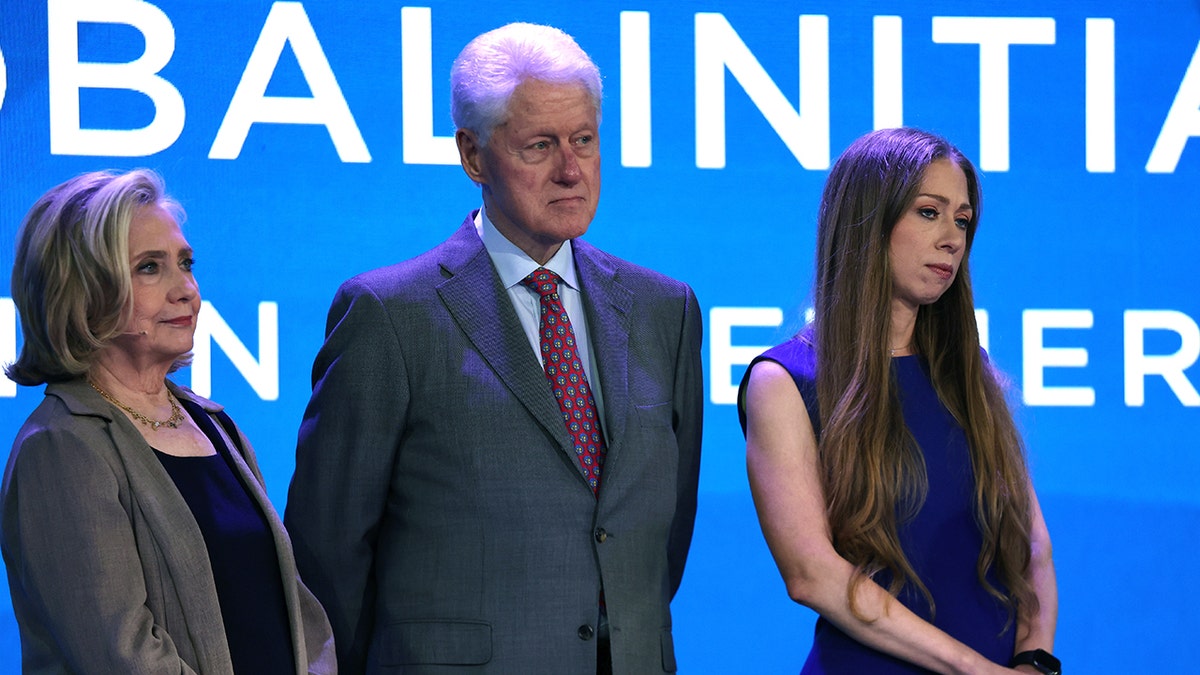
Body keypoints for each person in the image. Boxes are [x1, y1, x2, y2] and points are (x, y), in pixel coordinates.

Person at [283, 21, 703, 675]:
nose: (571, 169)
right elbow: (328, 554)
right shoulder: (391, 315)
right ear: (473, 156)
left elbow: (658, 544)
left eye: (585, 141)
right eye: (540, 145)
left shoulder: (663, 310)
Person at [738, 128, 1058, 674]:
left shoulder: (969, 371)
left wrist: (1034, 659)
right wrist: (976, 671)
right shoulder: (785, 380)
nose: (953, 238)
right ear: (868, 220)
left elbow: (1031, 547)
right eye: (929, 212)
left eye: (962, 219)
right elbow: (811, 574)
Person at [1, 169, 337, 674]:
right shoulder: (61, 446)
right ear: (84, 291)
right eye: (150, 268)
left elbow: (295, 615)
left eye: (186, 263)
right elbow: (123, 656)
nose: (186, 289)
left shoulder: (213, 423)